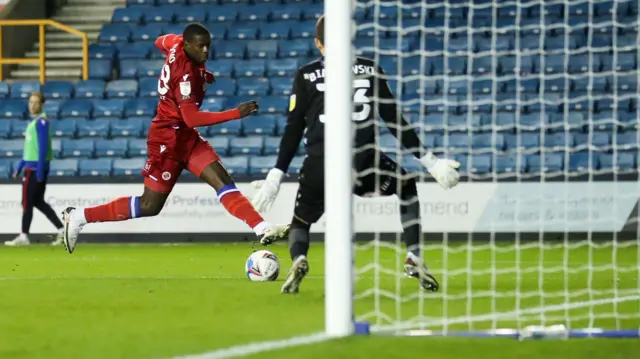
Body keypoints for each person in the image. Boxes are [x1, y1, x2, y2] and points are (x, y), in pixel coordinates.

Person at [251, 15, 461, 294]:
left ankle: (300, 259)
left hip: (319, 161)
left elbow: (293, 129)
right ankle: (414, 256)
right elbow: (394, 119)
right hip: (363, 159)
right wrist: (431, 162)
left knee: (301, 221)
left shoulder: (305, 75)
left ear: (318, 43)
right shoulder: (371, 70)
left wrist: (275, 175)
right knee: (406, 184)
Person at [60, 23, 290, 253]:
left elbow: (160, 40)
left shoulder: (177, 43)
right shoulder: (186, 76)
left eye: (208, 45)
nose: (206, 51)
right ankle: (78, 216)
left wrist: (201, 71)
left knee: (223, 181)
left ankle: (261, 227)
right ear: (188, 45)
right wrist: (235, 113)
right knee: (149, 205)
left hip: (186, 139)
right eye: (201, 46)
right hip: (166, 141)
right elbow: (191, 118)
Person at [5, 92, 64, 246]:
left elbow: (43, 148)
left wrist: (38, 170)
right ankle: (62, 230)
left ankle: (24, 235)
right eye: (30, 102)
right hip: (31, 167)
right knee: (37, 202)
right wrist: (19, 166)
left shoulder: (41, 122)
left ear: (41, 104)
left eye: (36, 102)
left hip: (34, 169)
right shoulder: (34, 122)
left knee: (27, 202)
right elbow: (30, 149)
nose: (32, 105)